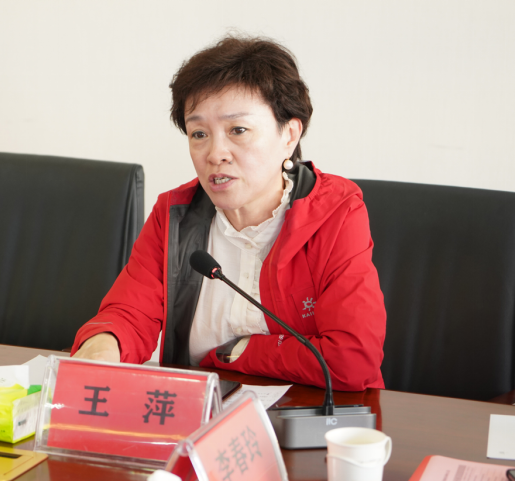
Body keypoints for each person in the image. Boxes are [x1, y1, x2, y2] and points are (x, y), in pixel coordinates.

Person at [71, 35, 386, 391]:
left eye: (238, 130)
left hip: (314, 416)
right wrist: (102, 348)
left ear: (289, 135)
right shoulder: (174, 216)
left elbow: (351, 360)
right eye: (199, 133)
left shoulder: (335, 212)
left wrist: (238, 352)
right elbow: (128, 314)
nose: (215, 153)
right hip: (199, 413)